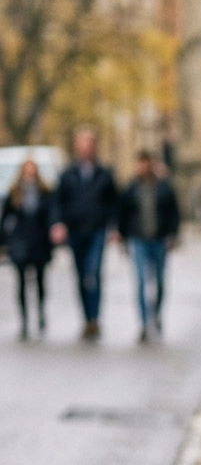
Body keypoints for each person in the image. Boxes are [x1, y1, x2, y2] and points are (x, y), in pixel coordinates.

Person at [50, 128, 117, 339]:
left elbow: (114, 204)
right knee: (80, 276)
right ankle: (86, 318)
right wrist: (58, 223)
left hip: (97, 230)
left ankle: (95, 317)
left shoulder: (104, 174)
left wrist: (114, 227)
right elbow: (57, 203)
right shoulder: (67, 174)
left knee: (93, 272)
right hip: (76, 231)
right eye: (82, 144)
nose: (85, 148)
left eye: (89, 144)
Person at [118, 151, 180, 341]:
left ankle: (157, 313)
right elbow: (123, 213)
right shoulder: (131, 188)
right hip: (139, 240)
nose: (143, 167)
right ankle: (144, 323)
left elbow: (173, 212)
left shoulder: (163, 187)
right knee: (142, 282)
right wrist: (122, 236)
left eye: (146, 163)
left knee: (160, 282)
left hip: (159, 239)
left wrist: (172, 234)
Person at [1, 159, 53, 339]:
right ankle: (24, 321)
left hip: (39, 241)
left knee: (39, 281)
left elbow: (51, 215)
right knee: (21, 282)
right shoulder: (14, 192)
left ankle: (40, 313)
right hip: (21, 241)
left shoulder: (44, 191)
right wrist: (4, 243)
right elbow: (5, 219)